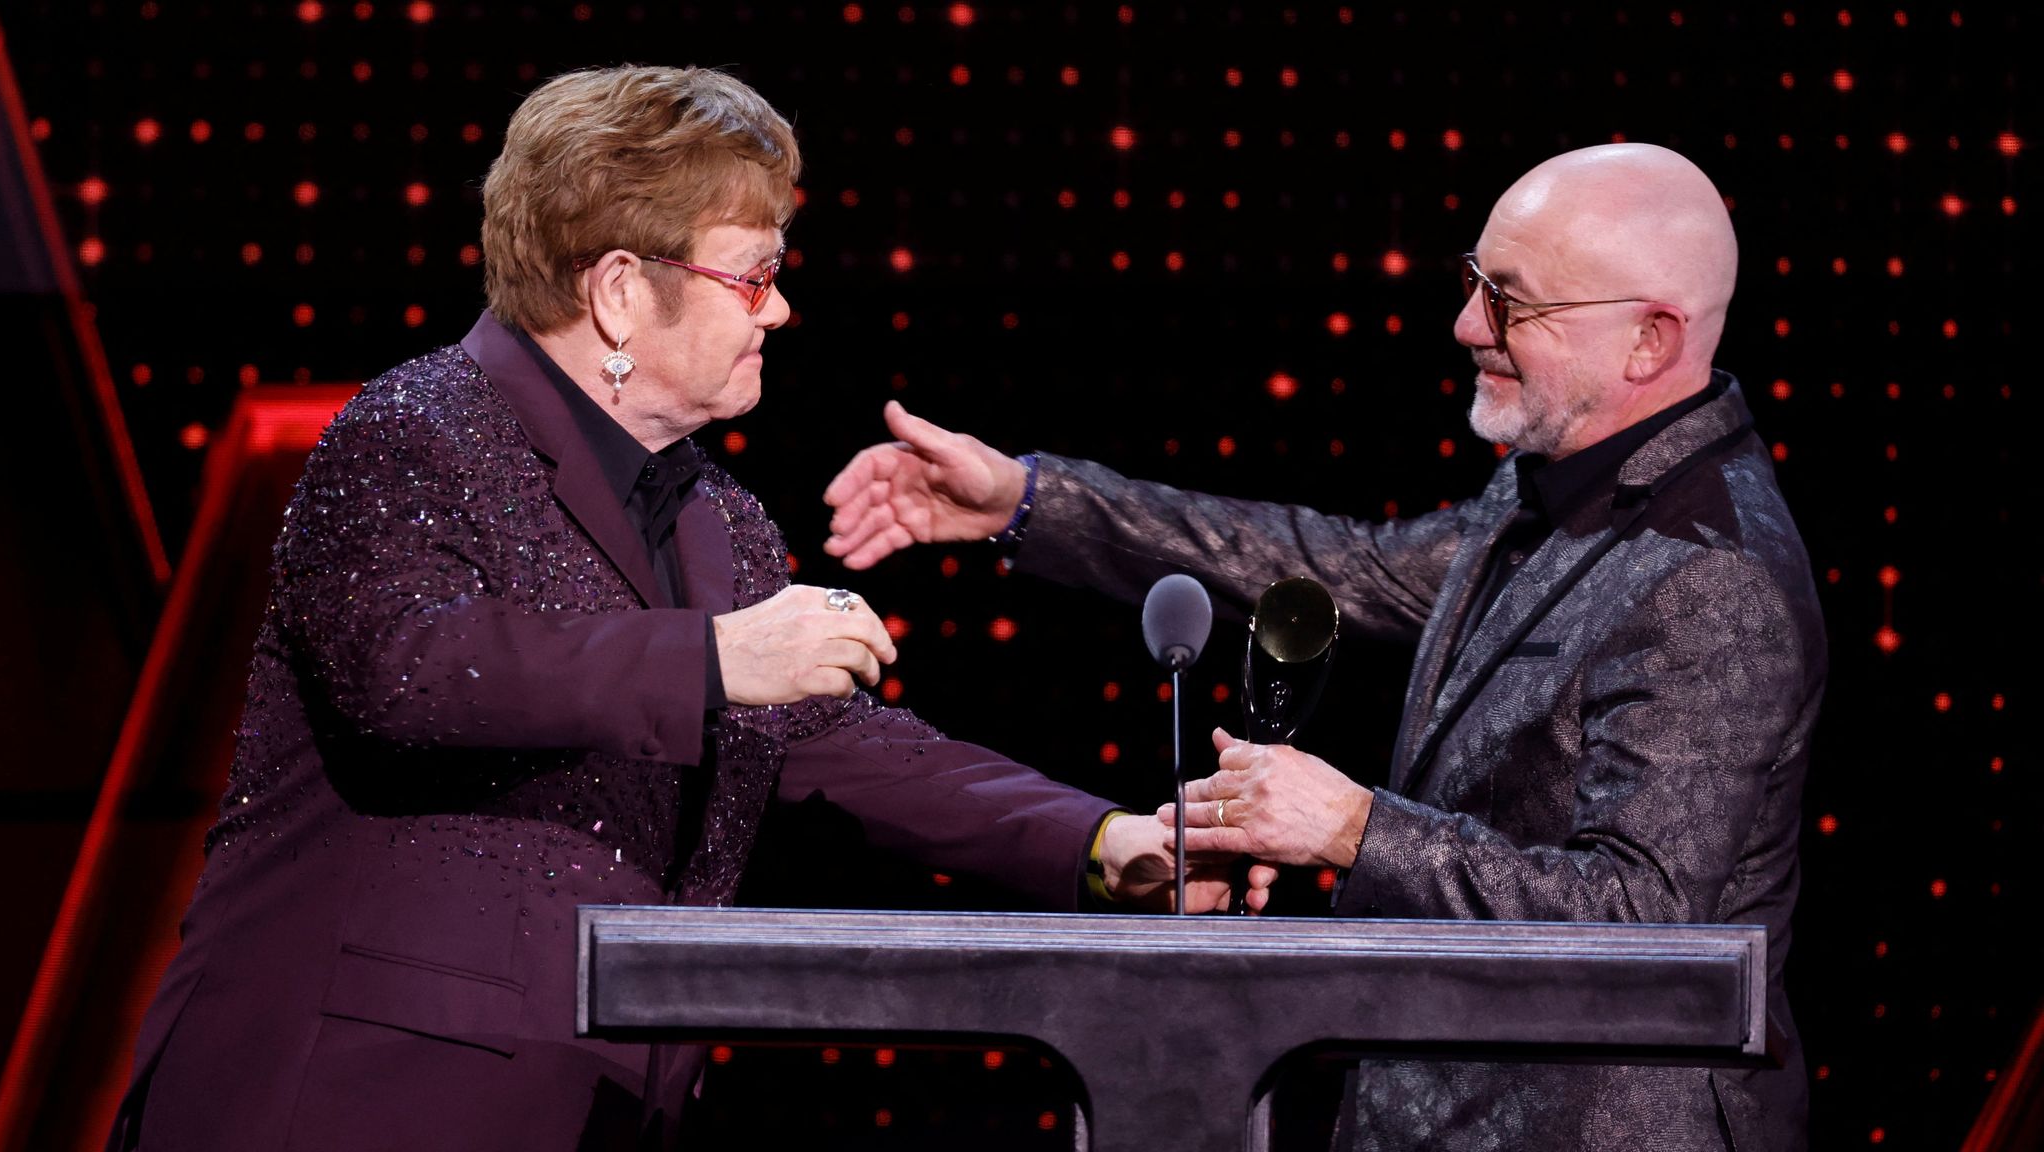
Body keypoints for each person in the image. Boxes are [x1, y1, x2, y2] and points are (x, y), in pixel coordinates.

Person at [109, 64, 1259, 1152]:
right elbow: (412, 670)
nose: (779, 309)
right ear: (618, 289)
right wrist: (712, 658)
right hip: (356, 1097)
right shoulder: (412, 433)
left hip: (591, 1103)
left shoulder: (719, 520)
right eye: (752, 274)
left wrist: (1105, 845)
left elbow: (847, 747)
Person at [823, 142, 1824, 1151]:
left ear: (1647, 342)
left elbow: (1640, 929)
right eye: (1475, 281)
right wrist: (1028, 500)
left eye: (1512, 303)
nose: (1467, 325)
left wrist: (1354, 829)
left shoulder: (1707, 575)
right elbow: (1340, 566)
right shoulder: (1561, 485)